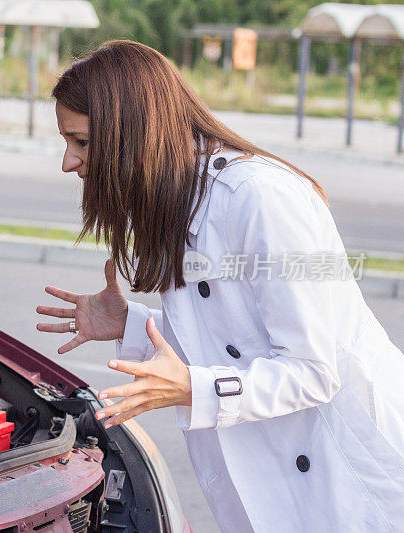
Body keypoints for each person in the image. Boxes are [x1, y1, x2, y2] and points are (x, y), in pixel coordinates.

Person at [36, 40, 404, 532]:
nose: (68, 162)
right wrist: (133, 324)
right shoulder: (176, 200)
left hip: (352, 487)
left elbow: (313, 369)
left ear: (131, 132)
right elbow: (238, 336)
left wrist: (194, 388)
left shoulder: (261, 198)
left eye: (81, 141)